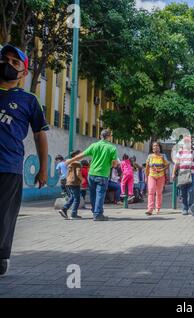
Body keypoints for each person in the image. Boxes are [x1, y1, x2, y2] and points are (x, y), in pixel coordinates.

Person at [0, 44, 49, 276]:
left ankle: (1, 256)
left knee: (3, 215)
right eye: (5, 59)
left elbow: (40, 134)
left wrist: (43, 169)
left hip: (8, 167)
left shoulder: (29, 100)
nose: (7, 64)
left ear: (24, 72)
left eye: (14, 62)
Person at [65, 129, 118, 221]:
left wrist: (70, 160)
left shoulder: (94, 145)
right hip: (102, 174)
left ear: (101, 136)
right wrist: (113, 164)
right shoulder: (112, 148)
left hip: (92, 174)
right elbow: (114, 163)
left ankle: (96, 212)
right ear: (109, 137)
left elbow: (81, 155)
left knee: (93, 194)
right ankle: (98, 214)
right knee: (100, 194)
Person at [173, 136, 194, 215]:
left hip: (193, 172)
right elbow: (177, 163)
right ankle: (185, 208)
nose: (187, 142)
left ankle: (190, 205)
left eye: (188, 141)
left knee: (192, 190)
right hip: (182, 173)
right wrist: (173, 173)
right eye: (185, 141)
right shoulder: (180, 151)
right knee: (183, 191)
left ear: (191, 141)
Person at [145, 141, 169, 215]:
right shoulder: (150, 156)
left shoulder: (163, 156)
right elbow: (147, 167)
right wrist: (146, 176)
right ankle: (150, 209)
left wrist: (161, 170)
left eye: (157, 146)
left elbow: (167, 165)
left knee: (159, 193)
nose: (155, 147)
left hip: (161, 176)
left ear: (159, 147)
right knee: (151, 191)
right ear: (152, 148)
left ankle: (158, 208)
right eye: (154, 146)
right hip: (151, 175)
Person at [58, 150, 83, 219]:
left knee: (72, 197)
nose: (81, 156)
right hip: (75, 182)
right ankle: (73, 214)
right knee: (77, 199)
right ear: (76, 156)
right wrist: (82, 180)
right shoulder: (78, 163)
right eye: (80, 155)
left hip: (68, 182)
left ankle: (64, 209)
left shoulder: (69, 163)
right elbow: (78, 173)